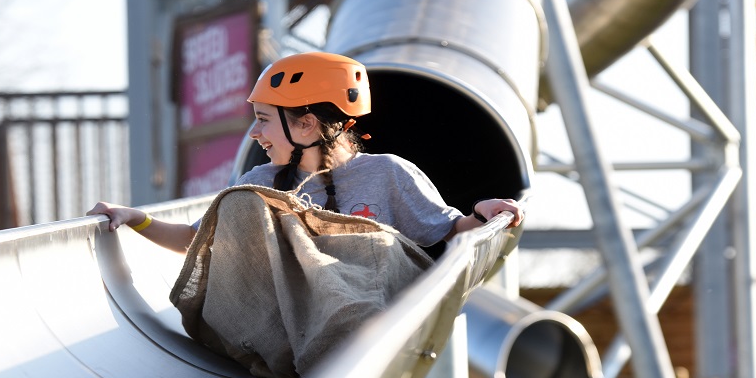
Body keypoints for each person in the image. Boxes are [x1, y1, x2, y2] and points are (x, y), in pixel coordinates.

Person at [88, 51, 523, 249]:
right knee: (247, 214)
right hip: (295, 325)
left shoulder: (387, 174)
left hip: (371, 322)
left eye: (262, 119)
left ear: (307, 124)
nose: (255, 134)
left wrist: (481, 213)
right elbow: (194, 241)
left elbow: (449, 231)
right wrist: (134, 218)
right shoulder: (257, 185)